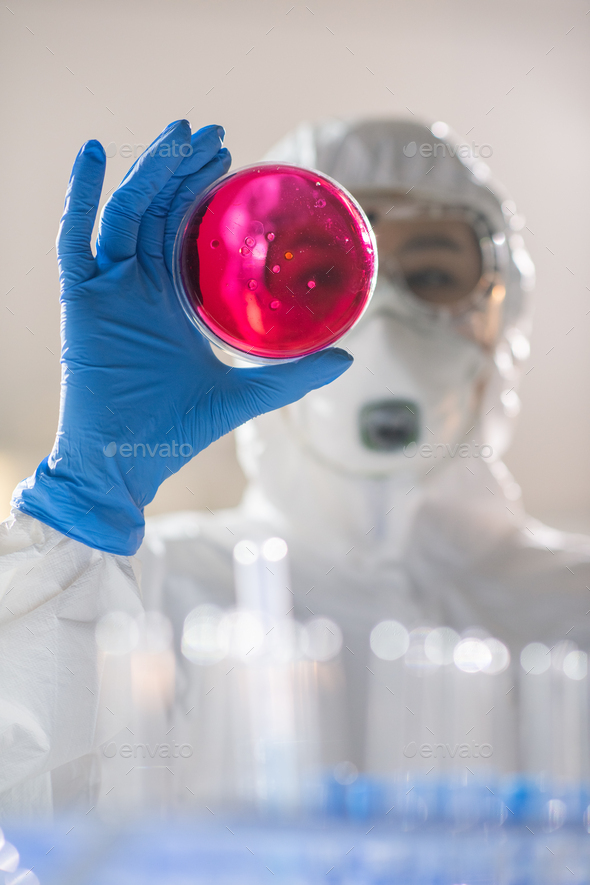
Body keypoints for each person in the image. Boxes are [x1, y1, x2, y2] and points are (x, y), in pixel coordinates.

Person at [2, 116, 590, 819]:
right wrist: (79, 513)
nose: (385, 317)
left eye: (433, 276)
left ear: (505, 313)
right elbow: (23, 816)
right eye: (321, 274)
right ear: (242, 307)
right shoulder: (144, 588)